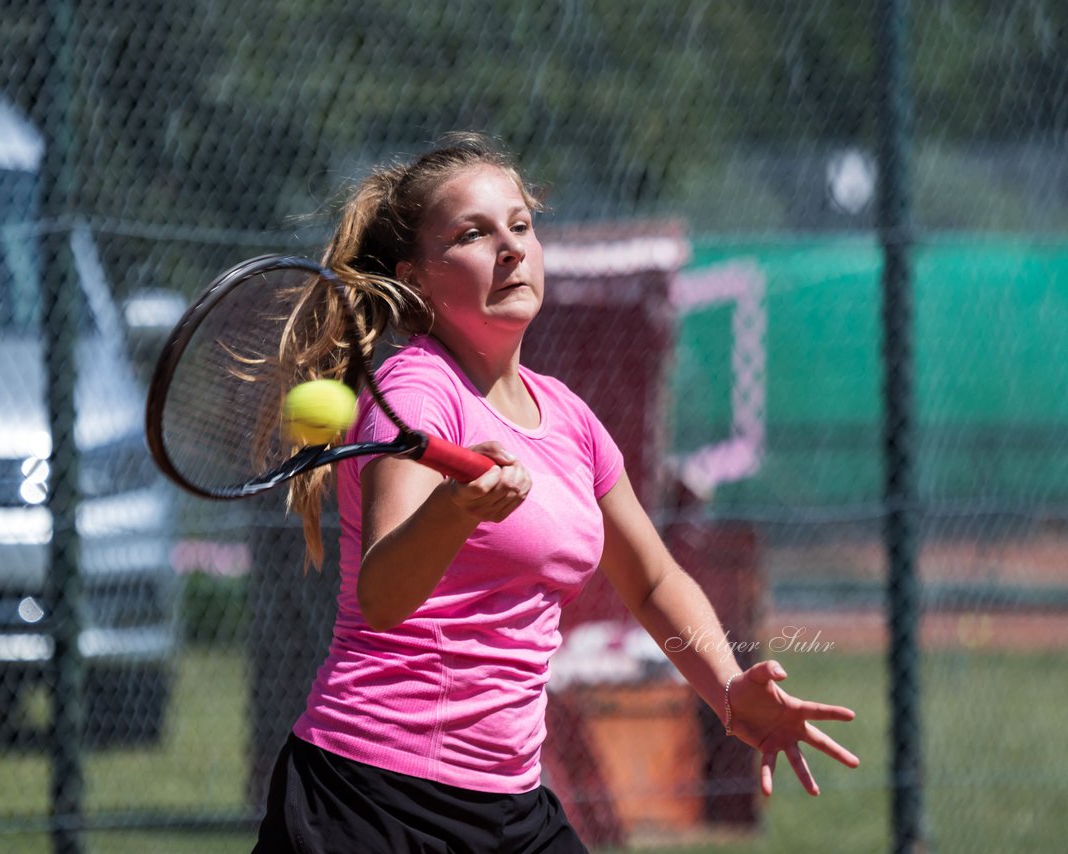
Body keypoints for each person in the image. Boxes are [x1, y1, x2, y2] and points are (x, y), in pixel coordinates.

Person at [254, 133, 859, 853]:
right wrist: (453, 512)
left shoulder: (568, 418)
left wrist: (729, 690)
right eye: (474, 234)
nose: (510, 248)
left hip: (510, 803)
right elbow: (383, 594)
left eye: (521, 225)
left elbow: (654, 577)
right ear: (415, 279)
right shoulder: (417, 394)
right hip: (371, 797)